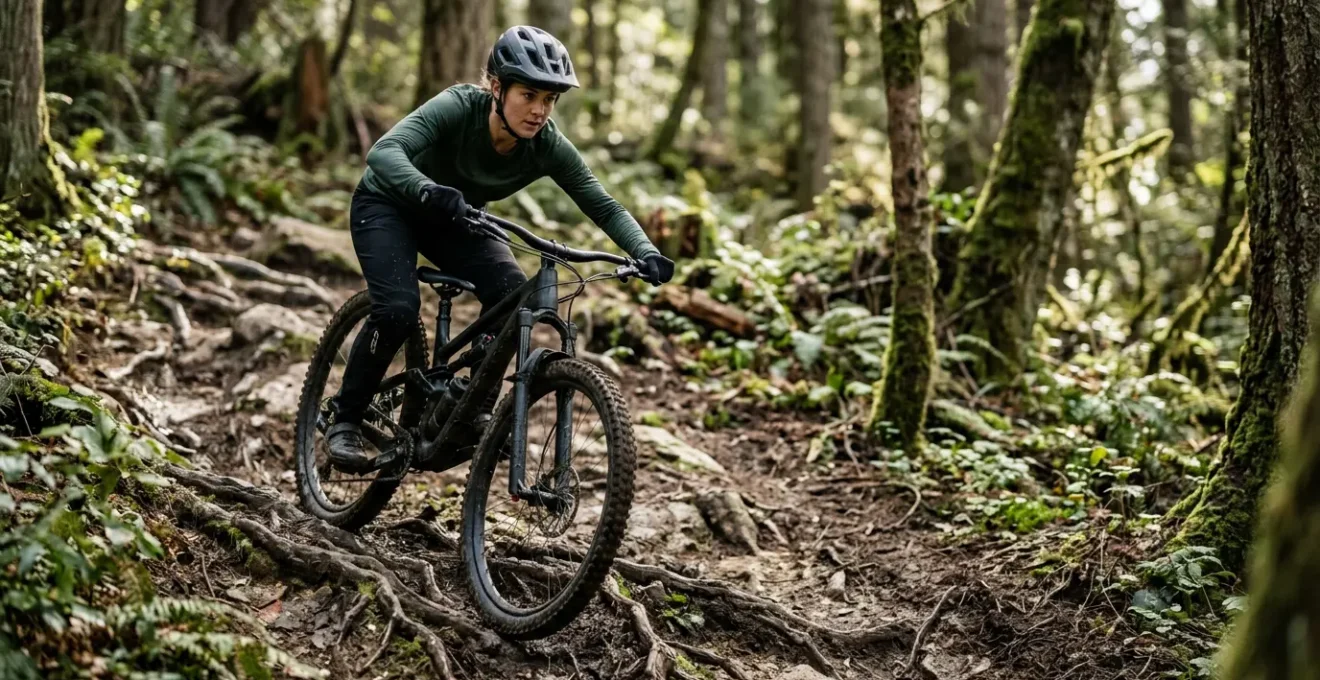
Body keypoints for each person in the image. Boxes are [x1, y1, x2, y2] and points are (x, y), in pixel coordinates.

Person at [325, 26, 675, 470]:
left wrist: (645, 252)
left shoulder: (546, 145)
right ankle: (346, 418)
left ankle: (471, 408)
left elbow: (601, 204)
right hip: (387, 204)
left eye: (549, 100)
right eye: (528, 95)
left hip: (454, 218)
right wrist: (427, 189)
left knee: (514, 294)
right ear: (496, 86)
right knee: (396, 309)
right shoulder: (457, 107)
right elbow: (384, 152)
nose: (539, 111)